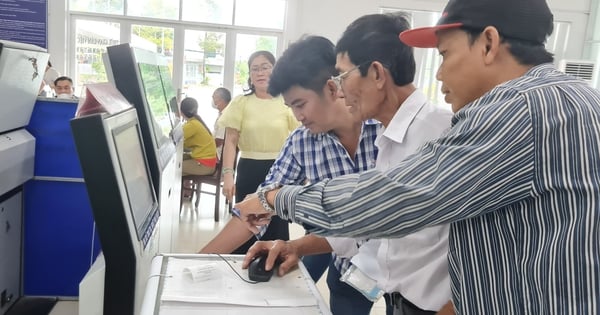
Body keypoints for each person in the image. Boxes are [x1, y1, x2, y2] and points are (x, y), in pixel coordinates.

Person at [237, 0, 600, 314]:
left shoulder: (516, 110)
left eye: (444, 55)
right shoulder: (568, 99)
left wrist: (276, 197)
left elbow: (388, 203)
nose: (439, 73)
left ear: (488, 43)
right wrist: (299, 243)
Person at [240, 13, 453, 315]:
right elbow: (365, 222)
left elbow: (478, 241)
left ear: (377, 74)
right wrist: (296, 246)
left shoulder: (441, 132)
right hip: (395, 293)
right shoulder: (390, 139)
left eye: (342, 76)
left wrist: (274, 198)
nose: (339, 90)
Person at [200, 36, 379, 314]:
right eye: (291, 107)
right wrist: (199, 260)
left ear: (332, 88)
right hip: (351, 268)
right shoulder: (302, 141)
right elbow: (259, 206)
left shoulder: (385, 128)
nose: (298, 116)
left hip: (411, 275)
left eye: (300, 104)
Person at [217, 50, 299, 254]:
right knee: (246, 222)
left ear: (275, 70)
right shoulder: (241, 102)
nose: (260, 73)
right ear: (250, 75)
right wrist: (228, 175)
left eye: (265, 67)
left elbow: (299, 139)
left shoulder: (286, 102)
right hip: (248, 170)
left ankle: (273, 264)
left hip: (280, 172)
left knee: (276, 225)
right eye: (255, 69)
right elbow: (231, 141)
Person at [180, 97, 218, 178]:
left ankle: (185, 190)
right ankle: (186, 189)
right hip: (207, 162)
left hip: (204, 165)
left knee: (175, 168)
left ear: (182, 112)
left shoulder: (192, 125)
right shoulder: (196, 121)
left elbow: (175, 138)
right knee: (178, 160)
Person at [211, 87, 231, 160]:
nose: (212, 101)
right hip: (214, 151)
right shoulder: (222, 113)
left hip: (216, 155)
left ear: (221, 100)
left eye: (214, 98)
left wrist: (205, 146)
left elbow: (219, 141)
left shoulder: (225, 116)